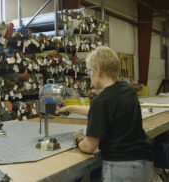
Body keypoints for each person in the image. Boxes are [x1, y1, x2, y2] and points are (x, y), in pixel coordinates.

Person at [56, 46, 153, 182]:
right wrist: (73, 108)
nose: (89, 76)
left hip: (121, 167)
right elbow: (106, 111)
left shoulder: (100, 101)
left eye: (89, 71)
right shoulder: (127, 90)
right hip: (144, 164)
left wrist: (78, 140)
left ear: (98, 70)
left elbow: (89, 146)